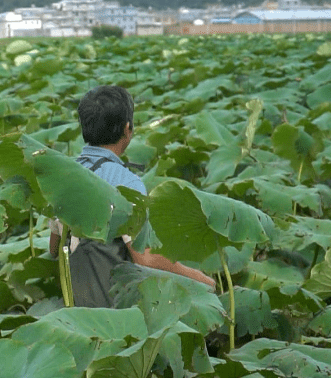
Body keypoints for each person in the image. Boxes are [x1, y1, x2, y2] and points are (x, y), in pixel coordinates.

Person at [49, 85, 215, 308]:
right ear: (128, 129)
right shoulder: (126, 184)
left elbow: (54, 249)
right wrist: (200, 279)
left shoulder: (63, 176)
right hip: (117, 312)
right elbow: (144, 259)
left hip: (74, 311)